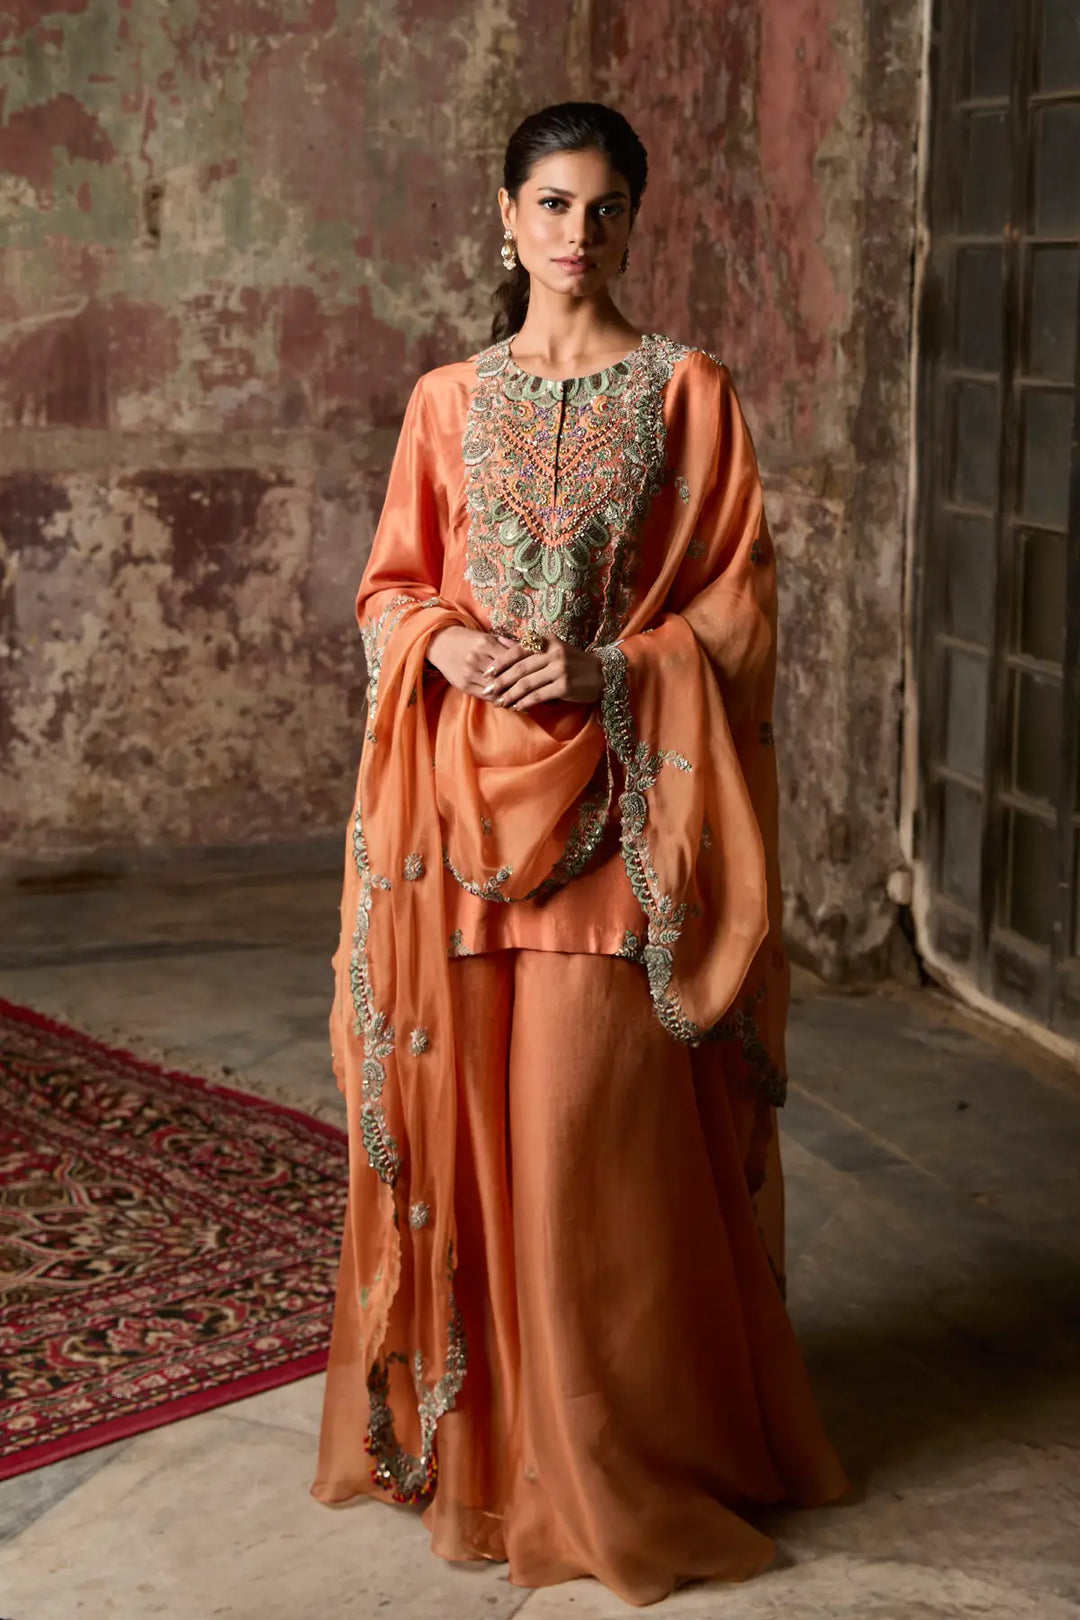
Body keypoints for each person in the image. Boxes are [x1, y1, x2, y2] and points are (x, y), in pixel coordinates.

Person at [310, 100, 847, 1607]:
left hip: (625, 820)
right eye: (551, 204)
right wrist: (449, 646)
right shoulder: (443, 403)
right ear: (506, 216)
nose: (576, 234)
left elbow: (738, 615)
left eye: (604, 209)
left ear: (632, 222)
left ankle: (614, 1456)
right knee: (478, 1146)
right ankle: (493, 1458)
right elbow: (386, 591)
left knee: (585, 1151)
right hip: (459, 828)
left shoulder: (691, 396)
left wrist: (613, 675)